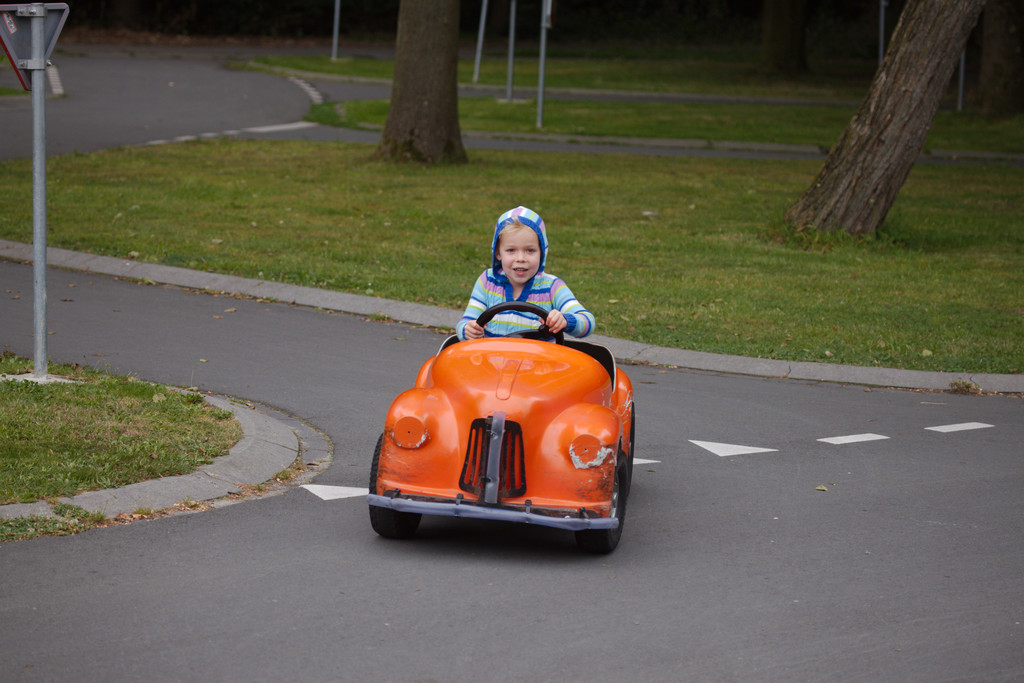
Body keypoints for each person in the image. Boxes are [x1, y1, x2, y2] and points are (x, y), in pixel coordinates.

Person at [456, 206, 595, 341]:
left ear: (542, 253)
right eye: (511, 250)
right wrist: (467, 330)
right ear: (498, 253)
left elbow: (587, 321)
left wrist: (566, 320)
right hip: (493, 361)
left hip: (540, 362)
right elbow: (466, 322)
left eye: (530, 250)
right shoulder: (487, 282)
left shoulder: (552, 287)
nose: (521, 258)